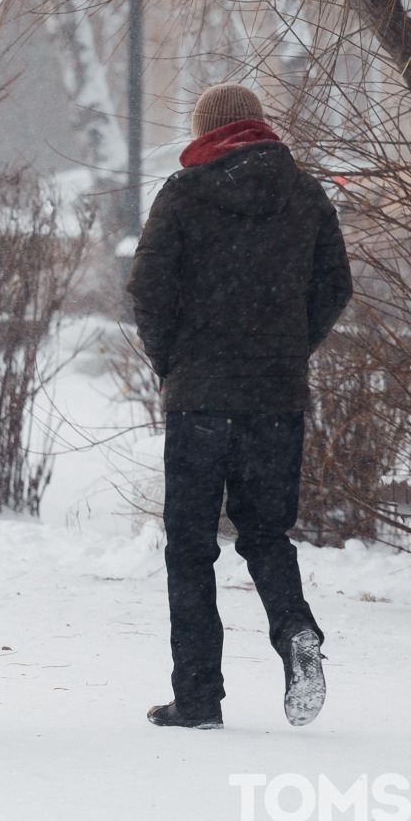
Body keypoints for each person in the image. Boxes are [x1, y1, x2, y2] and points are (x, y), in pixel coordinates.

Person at [127, 83, 352, 730]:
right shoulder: (305, 195)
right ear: (259, 128)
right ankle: (295, 628)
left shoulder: (186, 193)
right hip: (276, 399)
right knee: (264, 532)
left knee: (191, 546)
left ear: (208, 131)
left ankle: (197, 696)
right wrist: (288, 348)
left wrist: (174, 360)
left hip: (199, 400)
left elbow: (146, 285)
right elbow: (336, 284)